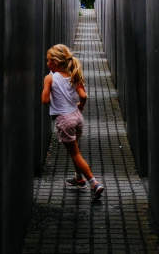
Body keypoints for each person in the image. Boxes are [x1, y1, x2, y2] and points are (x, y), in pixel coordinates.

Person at [41, 44, 105, 203]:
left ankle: (93, 183)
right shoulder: (74, 75)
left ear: (55, 62)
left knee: (75, 154)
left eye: (48, 60)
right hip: (77, 117)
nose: (47, 63)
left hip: (64, 120)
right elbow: (83, 96)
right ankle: (79, 178)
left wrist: (49, 92)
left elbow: (44, 100)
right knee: (75, 150)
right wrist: (80, 107)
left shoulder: (50, 78)